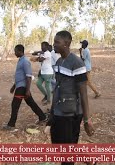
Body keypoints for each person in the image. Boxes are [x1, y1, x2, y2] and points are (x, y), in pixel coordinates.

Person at [46, 31, 94, 165]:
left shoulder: (77, 63)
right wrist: (52, 113)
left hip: (71, 113)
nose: (54, 45)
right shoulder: (59, 62)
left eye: (57, 42)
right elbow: (57, 89)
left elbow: (83, 93)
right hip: (59, 112)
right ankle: (89, 160)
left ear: (66, 44)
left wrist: (86, 120)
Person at [4, 44, 47, 132]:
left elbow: (28, 76)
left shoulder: (25, 61)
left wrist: (27, 90)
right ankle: (42, 117)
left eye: (16, 51)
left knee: (15, 105)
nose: (15, 52)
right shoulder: (20, 60)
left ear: (20, 51)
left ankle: (11, 125)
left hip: (22, 88)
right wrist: (13, 86)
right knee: (31, 103)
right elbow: (20, 76)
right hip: (20, 86)